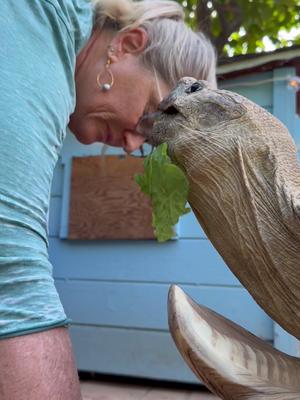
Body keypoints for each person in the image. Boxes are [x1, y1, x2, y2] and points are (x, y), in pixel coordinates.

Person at [0, 0, 216, 398]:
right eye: (151, 116)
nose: (134, 145)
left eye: (150, 143)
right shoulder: (45, 28)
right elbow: (8, 264)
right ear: (128, 44)